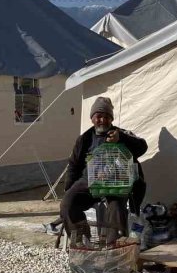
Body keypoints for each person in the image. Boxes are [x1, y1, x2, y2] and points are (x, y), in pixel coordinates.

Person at [60, 96, 147, 247]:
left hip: (116, 182)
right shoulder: (84, 139)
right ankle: (81, 241)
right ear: (92, 118)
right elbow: (73, 165)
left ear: (111, 119)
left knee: (116, 206)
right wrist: (69, 188)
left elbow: (142, 147)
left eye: (107, 117)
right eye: (99, 116)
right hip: (89, 181)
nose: (102, 120)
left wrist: (122, 139)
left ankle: (114, 245)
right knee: (67, 203)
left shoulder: (120, 134)